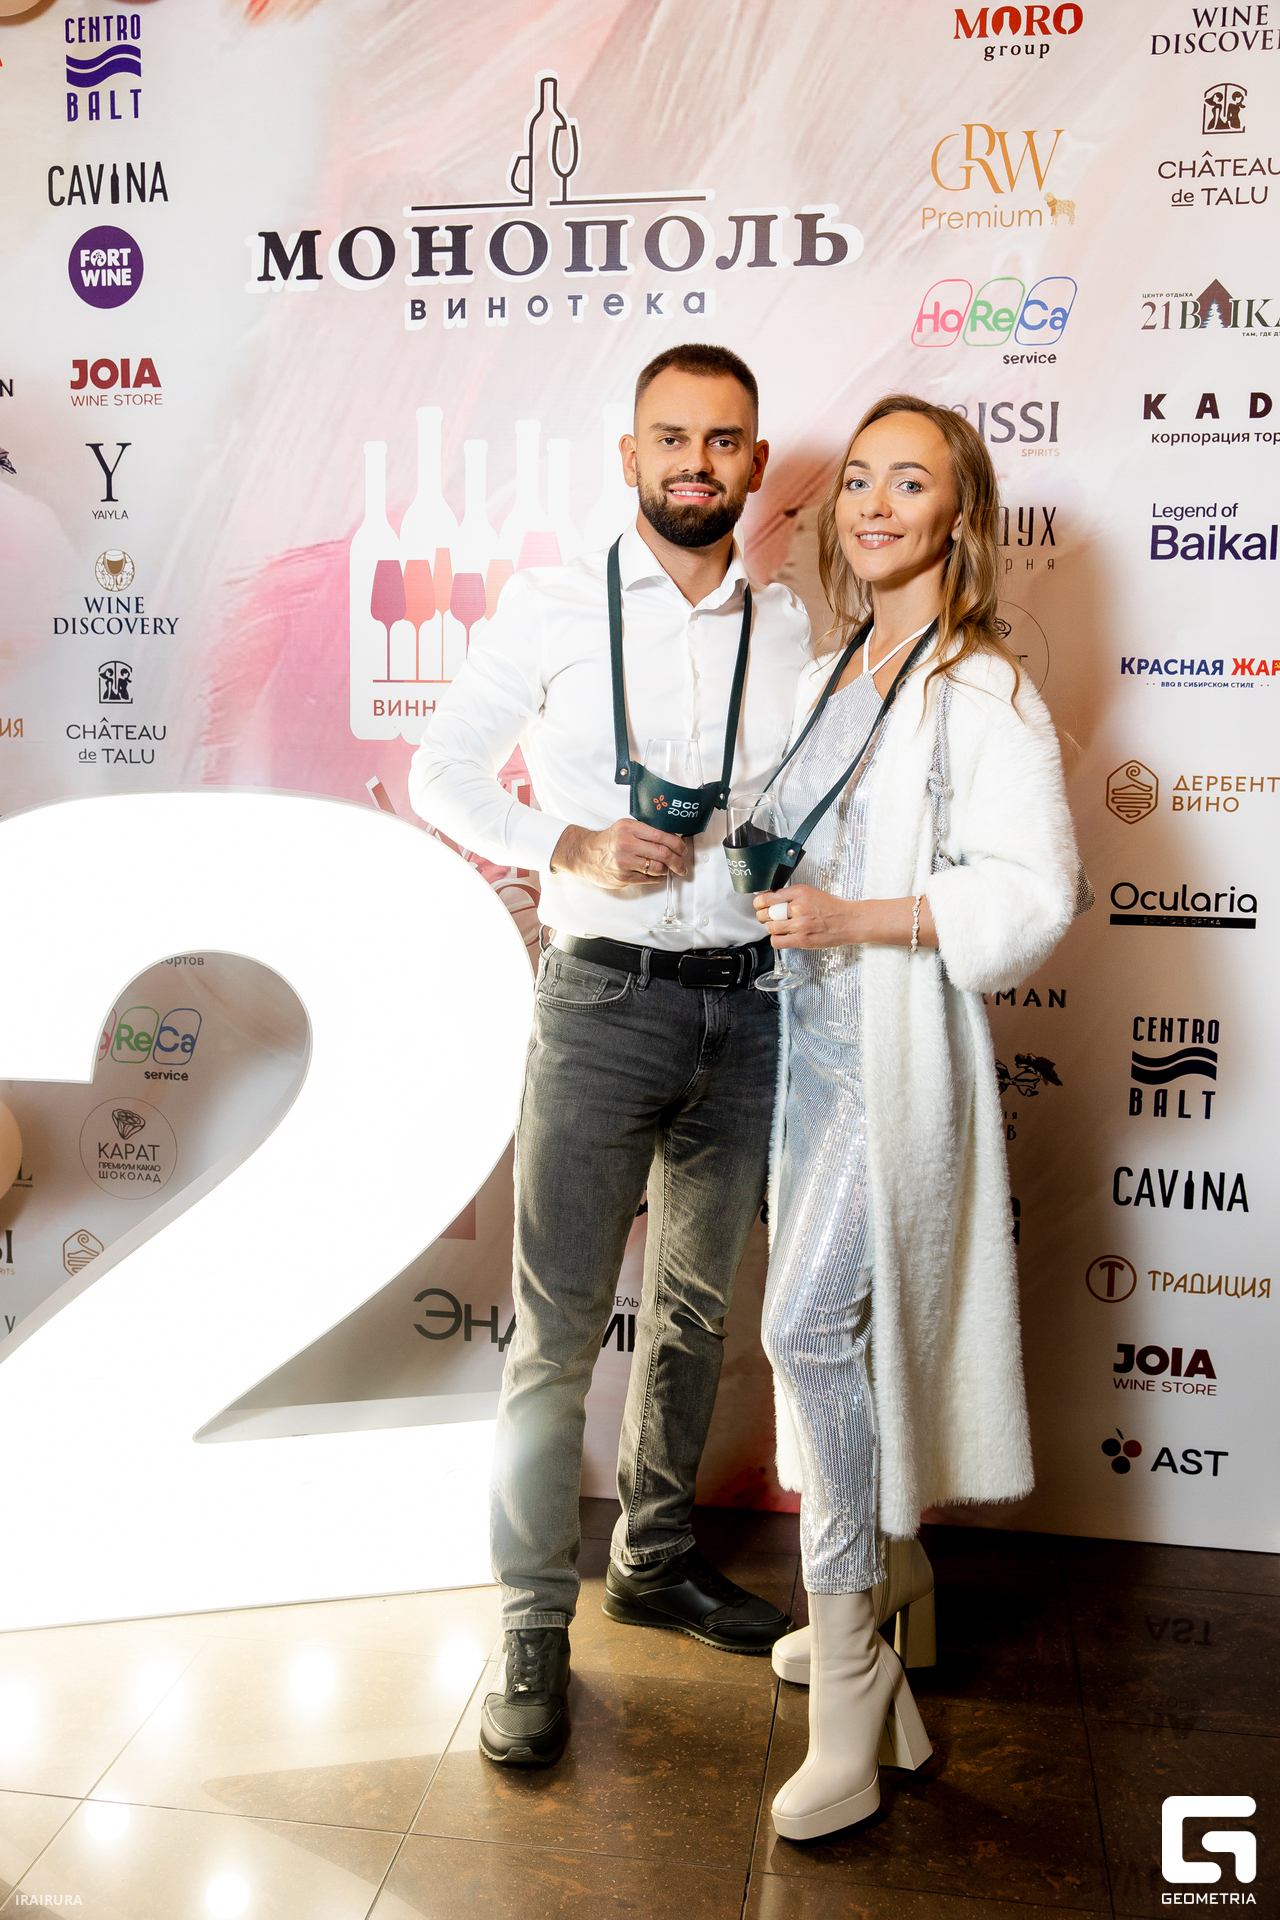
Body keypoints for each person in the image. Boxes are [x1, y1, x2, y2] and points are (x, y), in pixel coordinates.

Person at [409, 344, 811, 1768]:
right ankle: (531, 1621)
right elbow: (441, 770)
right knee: (558, 1333)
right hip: (599, 1002)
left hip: (749, 1008)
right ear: (630, 456)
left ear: (756, 462)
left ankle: (653, 1559)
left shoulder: (793, 625)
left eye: (725, 440)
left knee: (695, 1314)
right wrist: (564, 843)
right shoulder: (550, 606)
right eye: (672, 439)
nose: (698, 463)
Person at [750, 395, 1079, 1842]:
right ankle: (895, 1592)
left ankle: (855, 1693)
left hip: (893, 1061)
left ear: (960, 515)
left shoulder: (985, 689)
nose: (876, 504)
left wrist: (860, 919)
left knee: (806, 1332)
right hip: (805, 1057)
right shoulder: (833, 672)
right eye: (860, 481)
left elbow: (1032, 894)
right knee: (840, 1341)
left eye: (911, 482)